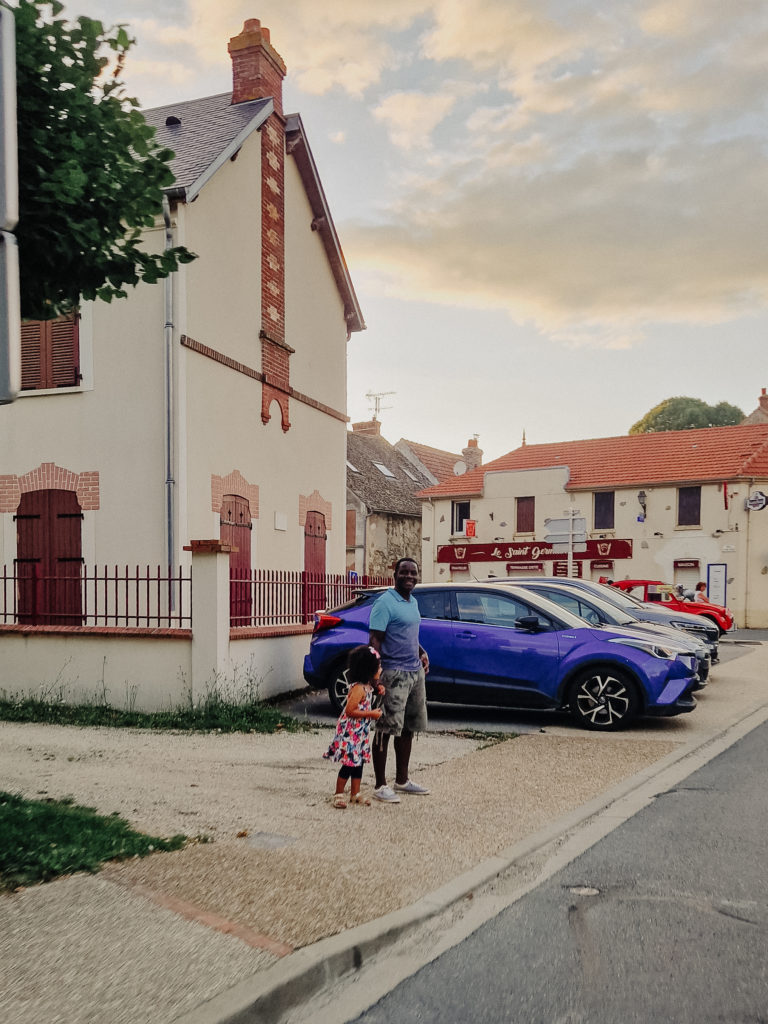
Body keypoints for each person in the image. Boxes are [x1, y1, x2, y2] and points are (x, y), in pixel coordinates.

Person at [368, 557, 430, 804]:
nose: (409, 577)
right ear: (395, 574)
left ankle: (402, 780)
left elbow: (409, 635)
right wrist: (375, 674)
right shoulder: (385, 603)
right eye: (404, 573)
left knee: (408, 728)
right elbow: (375, 639)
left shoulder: (412, 601)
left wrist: (421, 652)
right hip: (392, 673)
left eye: (413, 573)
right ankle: (380, 784)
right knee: (385, 728)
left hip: (415, 673)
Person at [323, 645, 383, 809]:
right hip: (351, 732)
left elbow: (372, 691)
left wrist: (378, 689)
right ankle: (338, 793)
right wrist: (371, 714)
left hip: (360, 733)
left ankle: (355, 793)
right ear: (368, 670)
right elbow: (350, 710)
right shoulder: (358, 689)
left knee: (359, 763)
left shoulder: (367, 686)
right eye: (378, 667)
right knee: (349, 764)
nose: (381, 669)